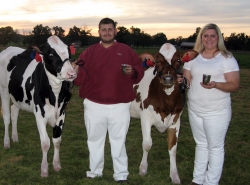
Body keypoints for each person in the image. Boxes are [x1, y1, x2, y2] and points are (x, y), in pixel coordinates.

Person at [73, 17, 144, 183]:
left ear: (115, 31)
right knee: (94, 140)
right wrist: (74, 71)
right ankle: (95, 171)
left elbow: (139, 71)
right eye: (103, 30)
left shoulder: (126, 50)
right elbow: (78, 80)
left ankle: (121, 174)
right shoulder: (89, 52)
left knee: (118, 140)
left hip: (120, 105)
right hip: (94, 105)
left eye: (110, 29)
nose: (107, 32)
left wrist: (132, 71)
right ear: (99, 32)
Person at [177, 23, 240, 185]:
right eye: (206, 35)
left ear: (218, 38)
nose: (209, 39)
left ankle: (211, 182)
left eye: (212, 35)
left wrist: (216, 84)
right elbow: (188, 81)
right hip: (195, 109)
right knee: (201, 145)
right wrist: (181, 81)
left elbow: (234, 84)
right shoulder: (193, 57)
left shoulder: (226, 58)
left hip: (217, 110)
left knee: (215, 147)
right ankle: (197, 180)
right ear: (201, 38)